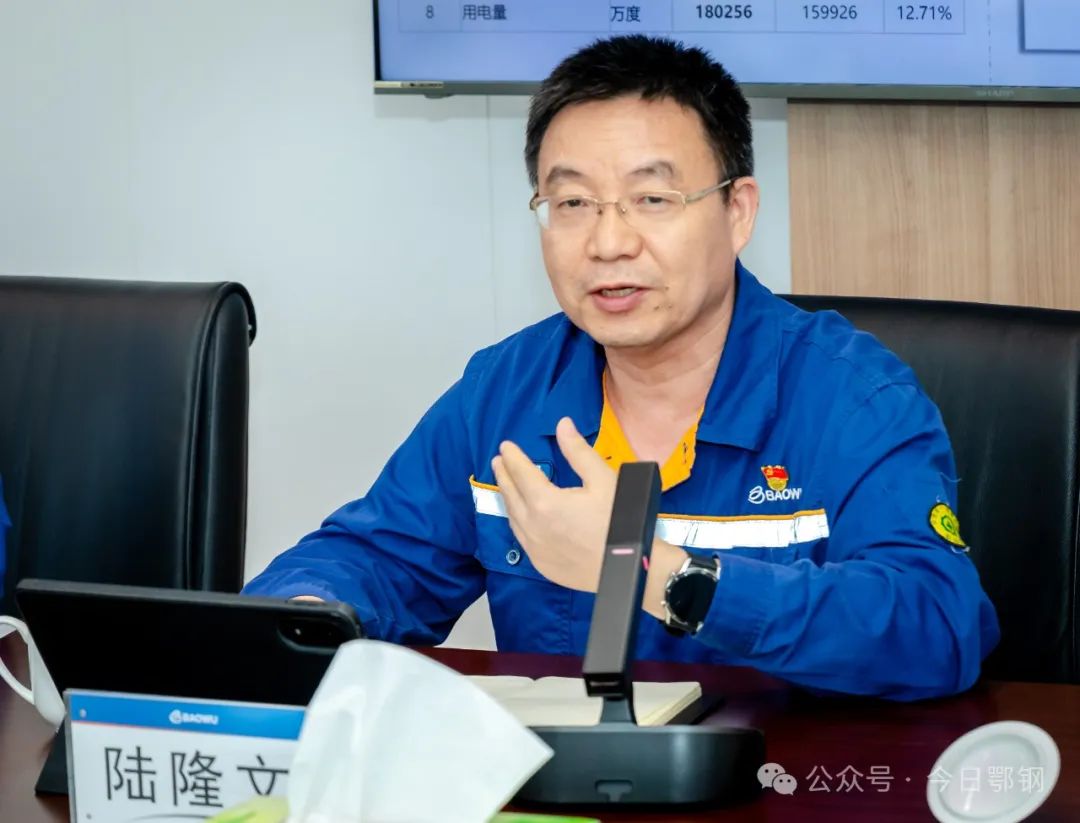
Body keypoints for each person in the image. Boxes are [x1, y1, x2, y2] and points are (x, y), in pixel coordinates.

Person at [244, 35, 999, 700]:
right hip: (566, 782)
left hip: (789, 780)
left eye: (652, 197)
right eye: (572, 203)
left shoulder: (852, 397)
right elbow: (376, 557)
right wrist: (308, 613)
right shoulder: (505, 391)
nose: (608, 243)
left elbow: (936, 624)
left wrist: (658, 574)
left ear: (737, 211)